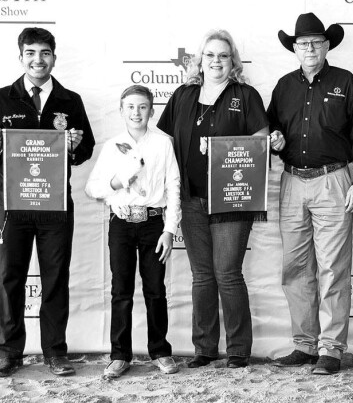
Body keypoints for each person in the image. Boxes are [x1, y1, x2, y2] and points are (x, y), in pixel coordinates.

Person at [268, 12, 353, 375]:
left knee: (332, 267)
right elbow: (271, 132)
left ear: (328, 45)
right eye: (302, 43)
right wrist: (274, 141)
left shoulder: (345, 81)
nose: (309, 47)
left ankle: (331, 348)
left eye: (316, 41)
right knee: (296, 267)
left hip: (333, 181)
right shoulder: (283, 86)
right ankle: (304, 344)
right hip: (292, 180)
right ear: (294, 49)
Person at [157, 29, 268, 369]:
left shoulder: (245, 95)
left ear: (233, 61)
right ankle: (204, 347)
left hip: (232, 199)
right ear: (199, 61)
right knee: (202, 275)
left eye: (223, 55)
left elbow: (260, 141)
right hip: (190, 198)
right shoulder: (183, 95)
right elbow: (162, 142)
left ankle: (238, 348)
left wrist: (224, 151)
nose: (216, 61)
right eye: (210, 55)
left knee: (228, 273)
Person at [0, 27, 95, 377]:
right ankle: (9, 351)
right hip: (12, 207)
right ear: (21, 56)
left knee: (55, 278)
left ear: (54, 57)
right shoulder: (2, 98)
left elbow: (85, 149)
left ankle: (55, 351)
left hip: (55, 206)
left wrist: (74, 145)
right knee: (10, 277)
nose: (38, 60)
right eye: (31, 53)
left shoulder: (70, 101)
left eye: (44, 53)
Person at [85, 85, 180, 378]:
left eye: (142, 107)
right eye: (130, 107)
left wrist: (169, 230)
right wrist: (116, 187)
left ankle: (160, 351)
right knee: (121, 290)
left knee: (155, 289)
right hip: (122, 224)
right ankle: (119, 355)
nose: (136, 113)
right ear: (121, 110)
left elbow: (173, 188)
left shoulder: (164, 143)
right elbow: (93, 187)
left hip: (153, 222)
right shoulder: (112, 145)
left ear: (151, 111)